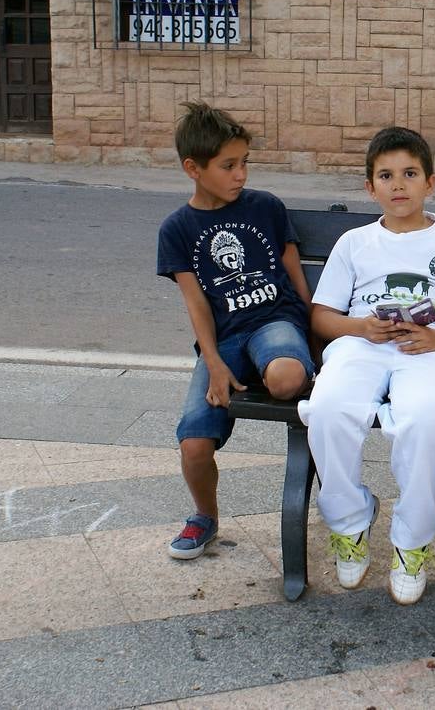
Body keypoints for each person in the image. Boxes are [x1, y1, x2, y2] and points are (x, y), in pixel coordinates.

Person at [298, 126, 435, 605]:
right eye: (386, 175)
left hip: (429, 351)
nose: (398, 184)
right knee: (327, 409)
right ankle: (349, 522)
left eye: (410, 174)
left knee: (424, 420)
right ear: (370, 187)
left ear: (431, 182)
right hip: (363, 345)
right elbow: (322, 316)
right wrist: (360, 327)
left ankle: (412, 540)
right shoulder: (354, 243)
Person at [157, 101, 314, 560]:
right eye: (228, 165)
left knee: (286, 379)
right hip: (223, 340)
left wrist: (313, 336)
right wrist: (214, 363)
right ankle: (204, 516)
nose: (241, 174)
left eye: (244, 162)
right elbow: (195, 303)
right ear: (193, 168)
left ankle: (291, 370)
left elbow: (294, 274)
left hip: (275, 323)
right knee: (194, 444)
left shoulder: (265, 207)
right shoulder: (178, 230)